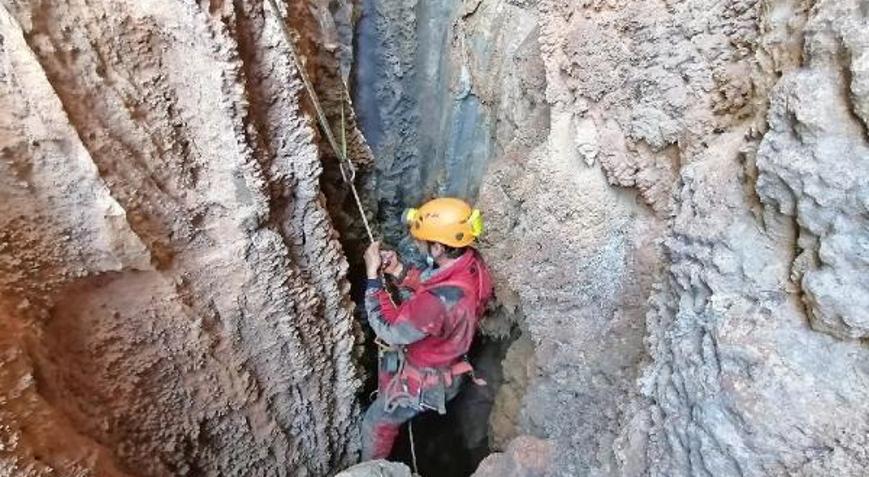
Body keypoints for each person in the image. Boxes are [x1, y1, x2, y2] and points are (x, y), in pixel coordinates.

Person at [360, 197, 494, 461]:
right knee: (389, 369)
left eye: (422, 241)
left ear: (439, 248)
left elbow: (388, 328)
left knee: (376, 423)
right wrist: (399, 270)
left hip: (424, 384)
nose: (418, 244)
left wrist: (373, 278)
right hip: (447, 365)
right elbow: (439, 287)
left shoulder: (438, 302)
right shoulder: (471, 265)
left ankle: (372, 469)